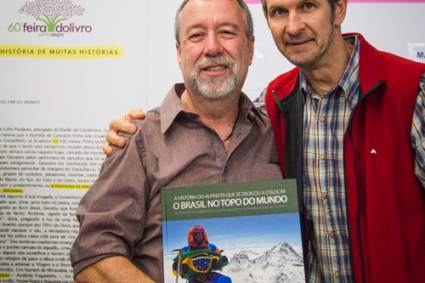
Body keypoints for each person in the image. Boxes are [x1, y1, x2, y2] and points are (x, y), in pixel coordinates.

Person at [105, 0, 425, 282]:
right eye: (279, 12)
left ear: (338, 8)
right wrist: (137, 135)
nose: (293, 26)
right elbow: (213, 119)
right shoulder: (274, 102)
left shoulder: (411, 90)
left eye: (308, 6)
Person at [70, 0, 282, 282]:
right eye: (196, 35)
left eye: (227, 32)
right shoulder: (138, 140)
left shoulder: (279, 134)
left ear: (250, 48)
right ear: (180, 53)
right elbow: (93, 258)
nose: (212, 47)